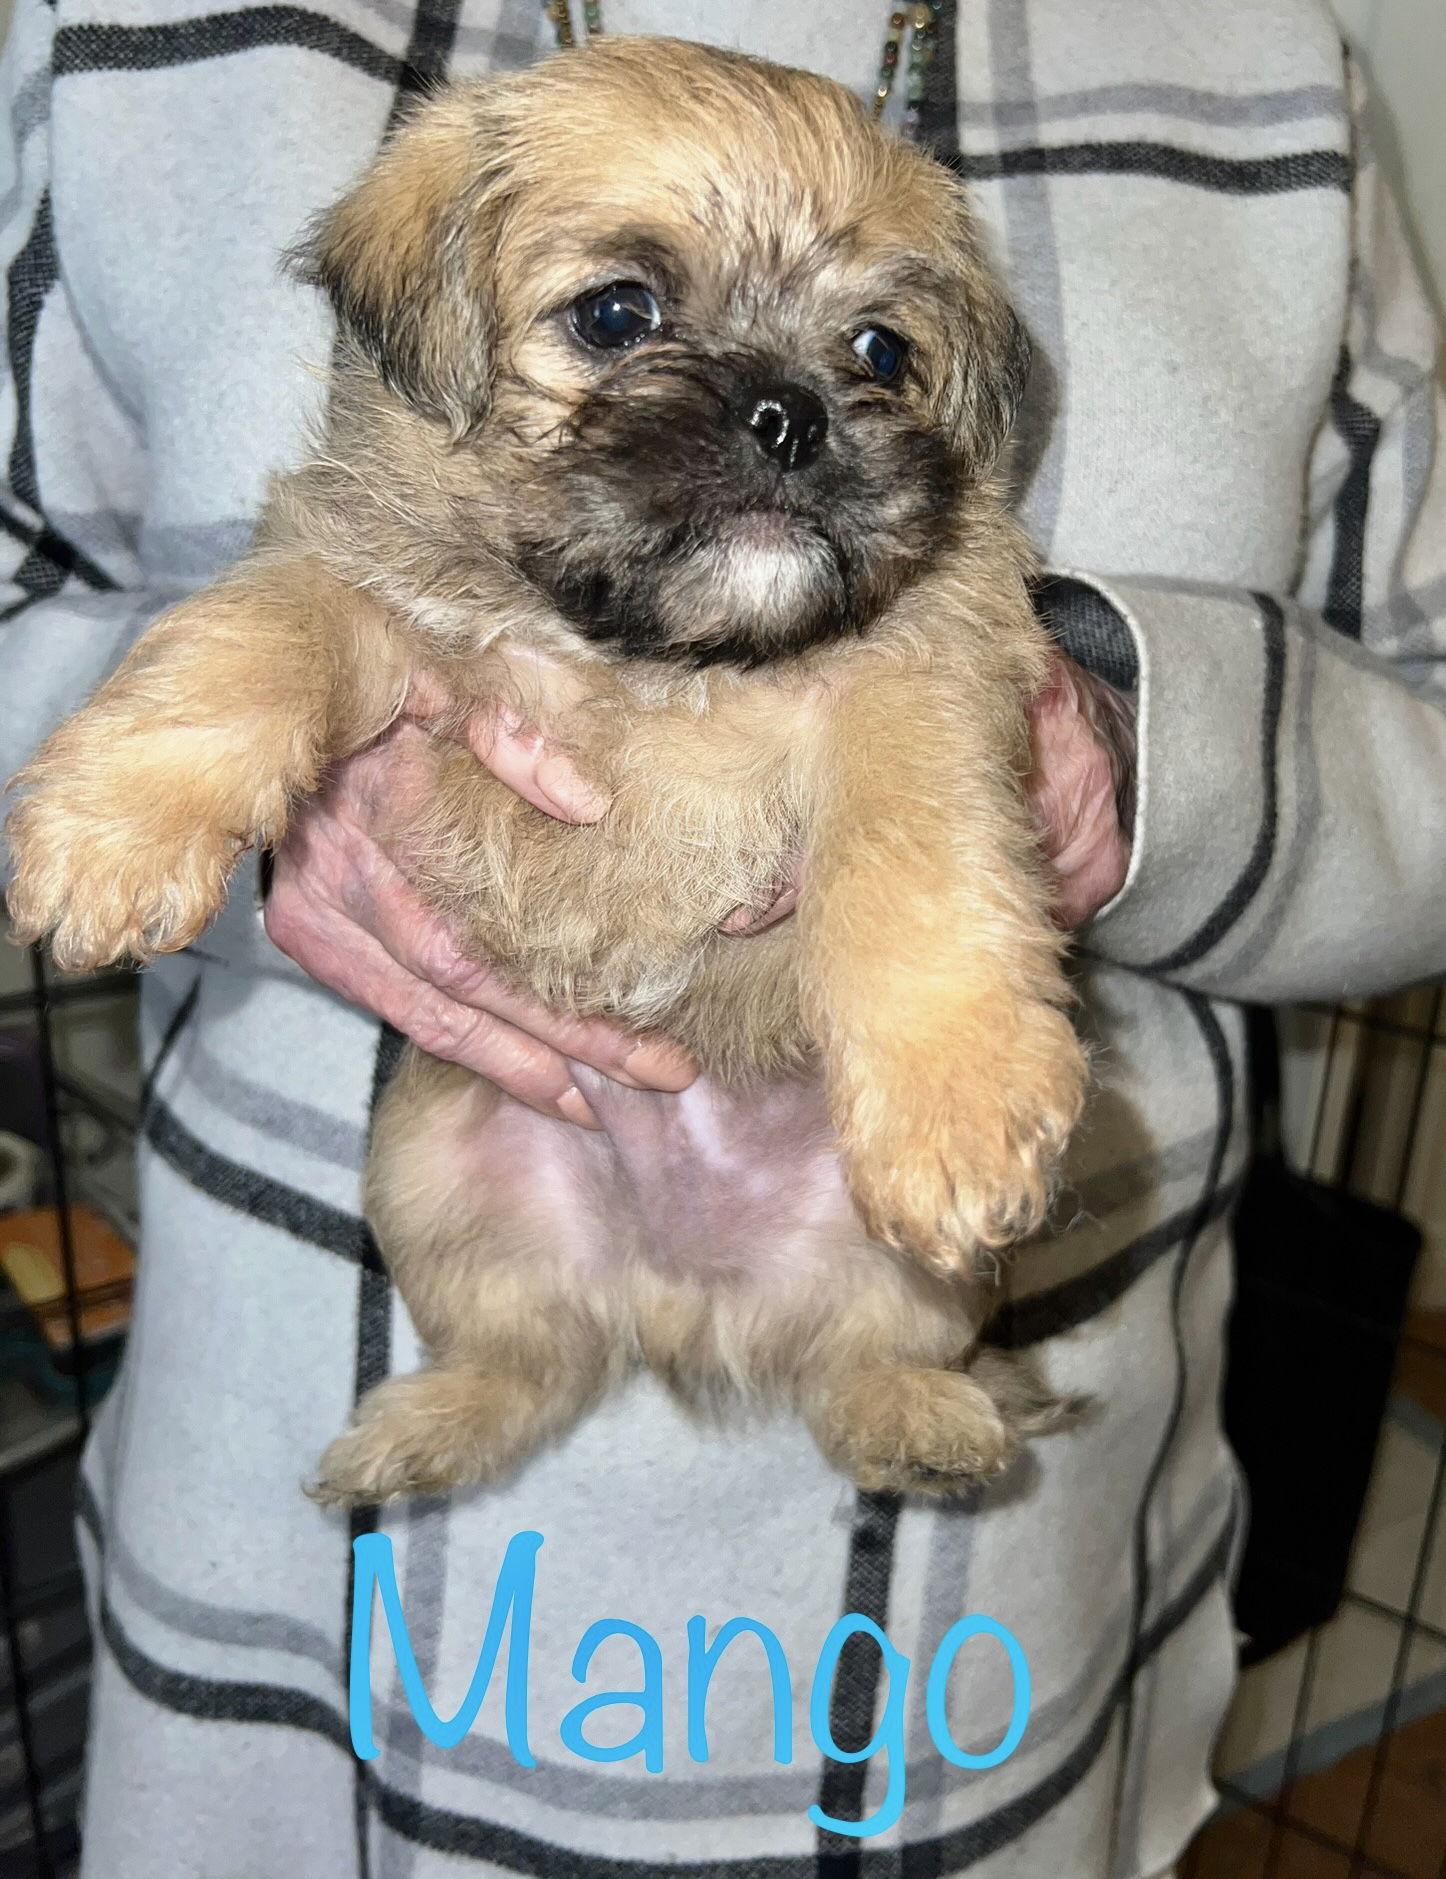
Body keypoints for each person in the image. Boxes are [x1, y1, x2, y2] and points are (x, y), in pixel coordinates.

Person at [1, 0, 1443, 1872]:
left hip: (984, 1660)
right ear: (427, 309)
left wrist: (1128, 755)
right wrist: (208, 767)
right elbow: (304, 603)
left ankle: (874, 1365)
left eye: (869, 350)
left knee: (900, 1156)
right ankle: (505, 1357)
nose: (776, 410)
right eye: (616, 318)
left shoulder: (1266, 62)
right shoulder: (138, 30)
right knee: (452, 1138)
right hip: (297, 1607)